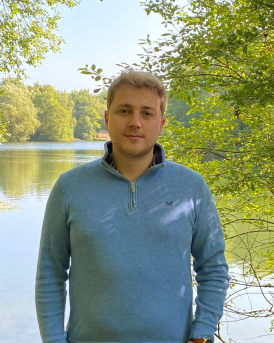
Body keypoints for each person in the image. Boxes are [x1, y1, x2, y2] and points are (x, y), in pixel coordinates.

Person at [35, 69, 230, 343]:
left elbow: (213, 268)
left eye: (147, 113)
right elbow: (50, 274)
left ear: (161, 123)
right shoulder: (69, 187)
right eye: (124, 111)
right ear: (107, 118)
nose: (135, 122)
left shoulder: (191, 187)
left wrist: (201, 335)